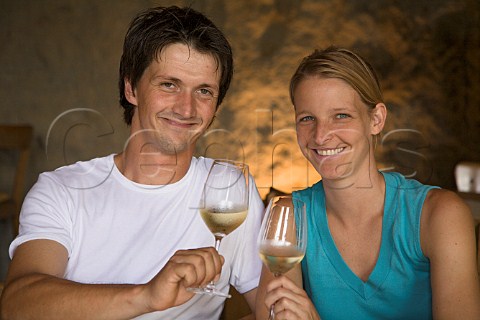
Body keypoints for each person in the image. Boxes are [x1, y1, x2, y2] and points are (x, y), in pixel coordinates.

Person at [0, 6, 264, 319]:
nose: (186, 107)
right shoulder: (61, 190)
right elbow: (17, 305)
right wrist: (147, 295)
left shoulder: (230, 190)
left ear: (216, 105)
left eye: (203, 91)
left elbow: (271, 308)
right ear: (131, 88)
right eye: (169, 84)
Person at [256, 47, 480, 319]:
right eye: (307, 119)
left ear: (376, 119)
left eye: (341, 115)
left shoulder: (439, 215)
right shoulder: (289, 217)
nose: (321, 135)